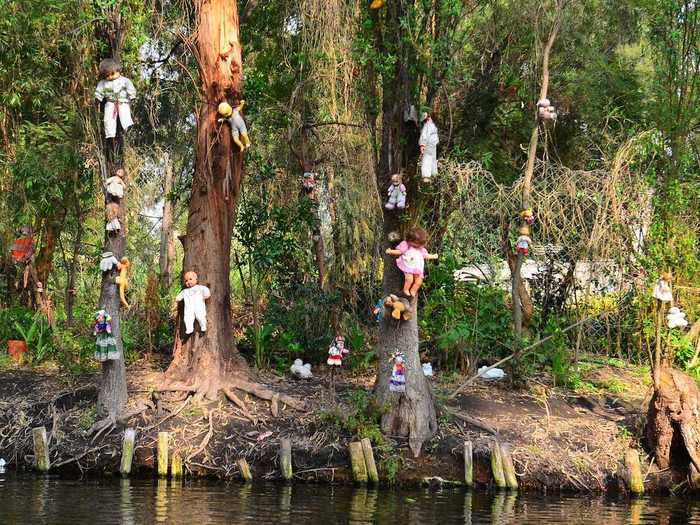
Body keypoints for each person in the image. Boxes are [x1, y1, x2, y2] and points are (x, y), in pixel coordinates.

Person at [386, 226, 438, 297]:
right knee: (409, 279)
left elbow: (426, 255)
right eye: (416, 243)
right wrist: (390, 251)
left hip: (417, 268)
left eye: (420, 244)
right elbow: (399, 251)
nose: (418, 245)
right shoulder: (406, 245)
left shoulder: (421, 249)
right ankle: (406, 289)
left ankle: (413, 290)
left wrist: (433, 256)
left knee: (419, 281)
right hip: (408, 266)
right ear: (410, 240)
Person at [419, 112, 439, 180]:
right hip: (433, 144)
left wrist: (422, 145)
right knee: (433, 158)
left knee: (427, 158)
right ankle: (433, 173)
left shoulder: (428, 125)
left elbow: (424, 136)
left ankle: (426, 176)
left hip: (429, 144)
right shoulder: (433, 125)